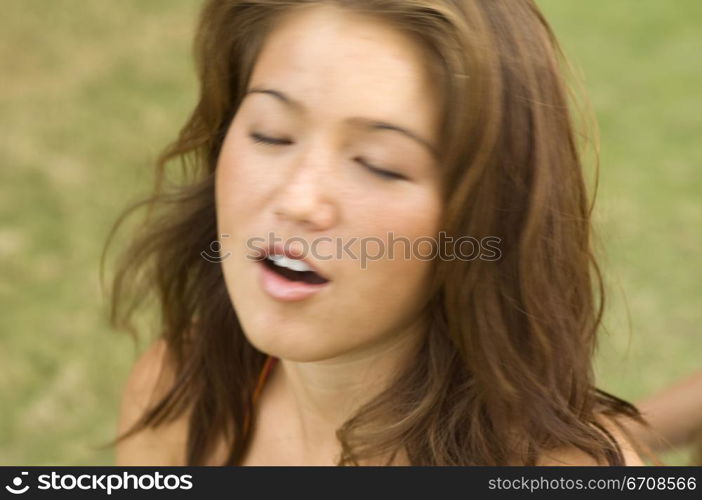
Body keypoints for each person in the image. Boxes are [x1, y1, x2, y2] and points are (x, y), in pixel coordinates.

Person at [105, 0, 649, 466]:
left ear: (485, 221)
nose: (298, 200)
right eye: (271, 135)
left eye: (380, 164)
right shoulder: (180, 394)